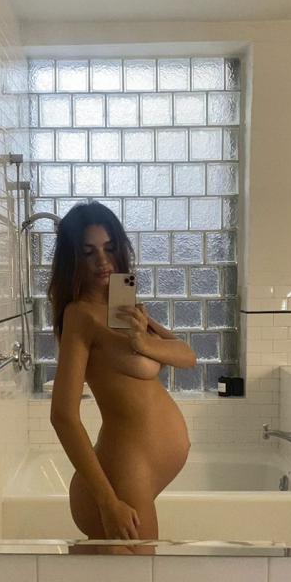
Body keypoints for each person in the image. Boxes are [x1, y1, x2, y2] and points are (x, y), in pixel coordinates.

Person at [48, 202, 197, 554]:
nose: (102, 261)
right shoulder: (81, 316)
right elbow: (63, 415)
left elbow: (187, 356)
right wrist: (107, 501)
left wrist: (143, 340)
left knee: (119, 576)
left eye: (109, 248)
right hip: (123, 474)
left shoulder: (124, 309)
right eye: (89, 252)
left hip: (138, 473)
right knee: (140, 578)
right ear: (73, 258)